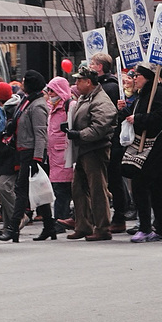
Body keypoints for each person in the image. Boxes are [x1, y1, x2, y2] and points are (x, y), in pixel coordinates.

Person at [0, 70, 53, 242]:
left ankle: (12, 228)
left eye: (24, 81)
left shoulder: (38, 106)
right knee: (38, 191)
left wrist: (37, 158)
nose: (21, 84)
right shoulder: (28, 101)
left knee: (22, 191)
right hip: (23, 150)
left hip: (31, 153)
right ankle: (50, 227)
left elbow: (41, 134)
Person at [120, 62, 162, 242]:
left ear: (148, 77)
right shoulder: (143, 95)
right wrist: (125, 111)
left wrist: (139, 118)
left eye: (138, 76)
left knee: (143, 187)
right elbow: (136, 116)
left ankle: (147, 227)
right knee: (156, 190)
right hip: (149, 149)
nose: (135, 79)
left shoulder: (156, 93)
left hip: (155, 149)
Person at [63, 67, 117, 241]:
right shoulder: (85, 98)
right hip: (83, 149)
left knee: (97, 189)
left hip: (95, 149)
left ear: (88, 82)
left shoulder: (101, 101)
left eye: (79, 80)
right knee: (78, 188)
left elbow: (100, 127)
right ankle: (83, 225)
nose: (76, 83)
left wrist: (80, 134)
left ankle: (102, 227)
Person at [90, 53, 128, 233]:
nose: (90, 66)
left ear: (99, 67)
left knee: (114, 179)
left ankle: (120, 215)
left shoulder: (109, 87)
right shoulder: (102, 86)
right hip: (107, 139)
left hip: (112, 140)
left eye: (92, 63)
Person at [0, 81, 19, 235]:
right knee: (3, 191)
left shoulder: (11, 111)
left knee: (4, 187)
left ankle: (18, 218)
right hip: (2, 155)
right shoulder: (4, 110)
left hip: (10, 155)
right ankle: (9, 225)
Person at [45, 76, 75, 224]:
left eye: (53, 90)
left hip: (64, 155)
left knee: (62, 189)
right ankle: (62, 218)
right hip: (54, 155)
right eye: (49, 90)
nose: (50, 93)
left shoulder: (69, 106)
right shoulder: (52, 107)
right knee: (60, 188)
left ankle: (60, 219)